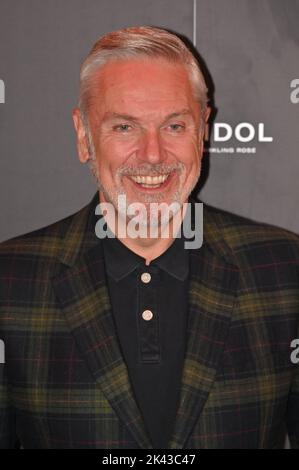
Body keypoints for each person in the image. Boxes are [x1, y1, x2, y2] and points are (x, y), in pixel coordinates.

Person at [0, 25, 298, 449]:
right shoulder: (10, 282)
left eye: (175, 125)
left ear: (203, 129)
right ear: (83, 135)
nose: (153, 154)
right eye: (125, 127)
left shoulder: (284, 270)